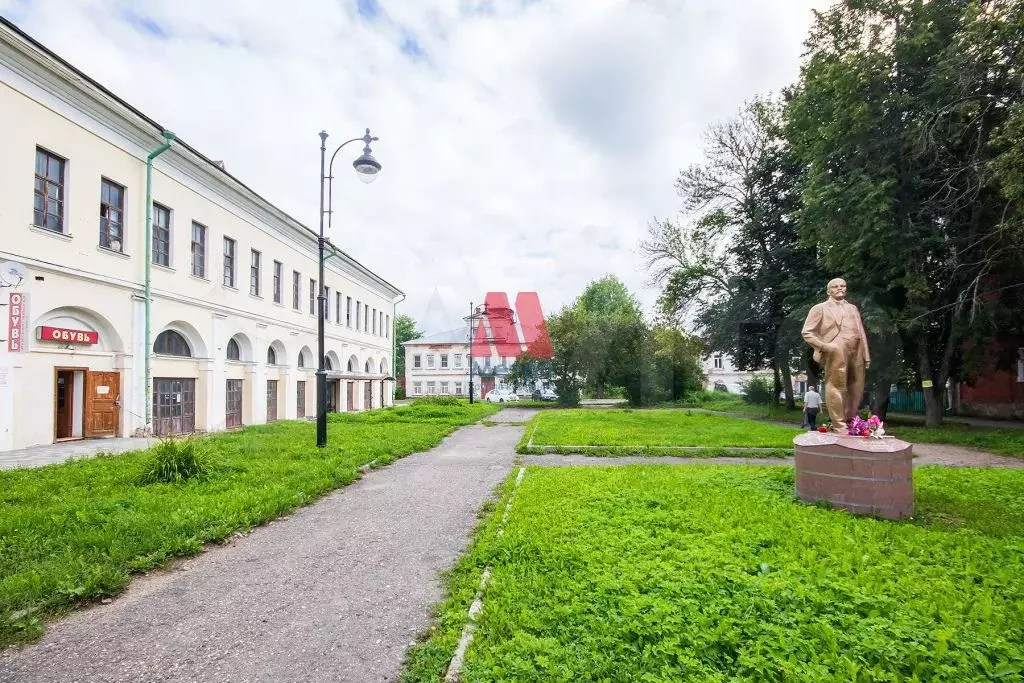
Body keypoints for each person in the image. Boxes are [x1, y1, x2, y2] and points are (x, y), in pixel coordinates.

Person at [801, 278, 871, 433]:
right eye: (835, 286)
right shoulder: (819, 308)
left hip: (857, 348)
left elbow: (861, 331)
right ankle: (839, 424)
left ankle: (851, 421)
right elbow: (807, 332)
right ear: (829, 291)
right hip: (836, 347)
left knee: (857, 387)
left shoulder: (852, 308)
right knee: (836, 385)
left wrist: (866, 354)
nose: (840, 288)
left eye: (843, 286)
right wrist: (826, 347)